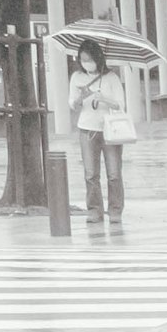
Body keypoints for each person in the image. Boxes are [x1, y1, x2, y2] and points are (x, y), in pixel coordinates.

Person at [65, 42, 137, 222]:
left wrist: (103, 98)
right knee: (90, 174)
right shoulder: (76, 77)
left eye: (89, 60)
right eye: (82, 60)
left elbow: (121, 104)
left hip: (110, 130)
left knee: (113, 173)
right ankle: (94, 210)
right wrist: (83, 96)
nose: (86, 63)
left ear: (98, 59)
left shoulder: (111, 77)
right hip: (87, 129)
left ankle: (115, 210)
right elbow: (72, 105)